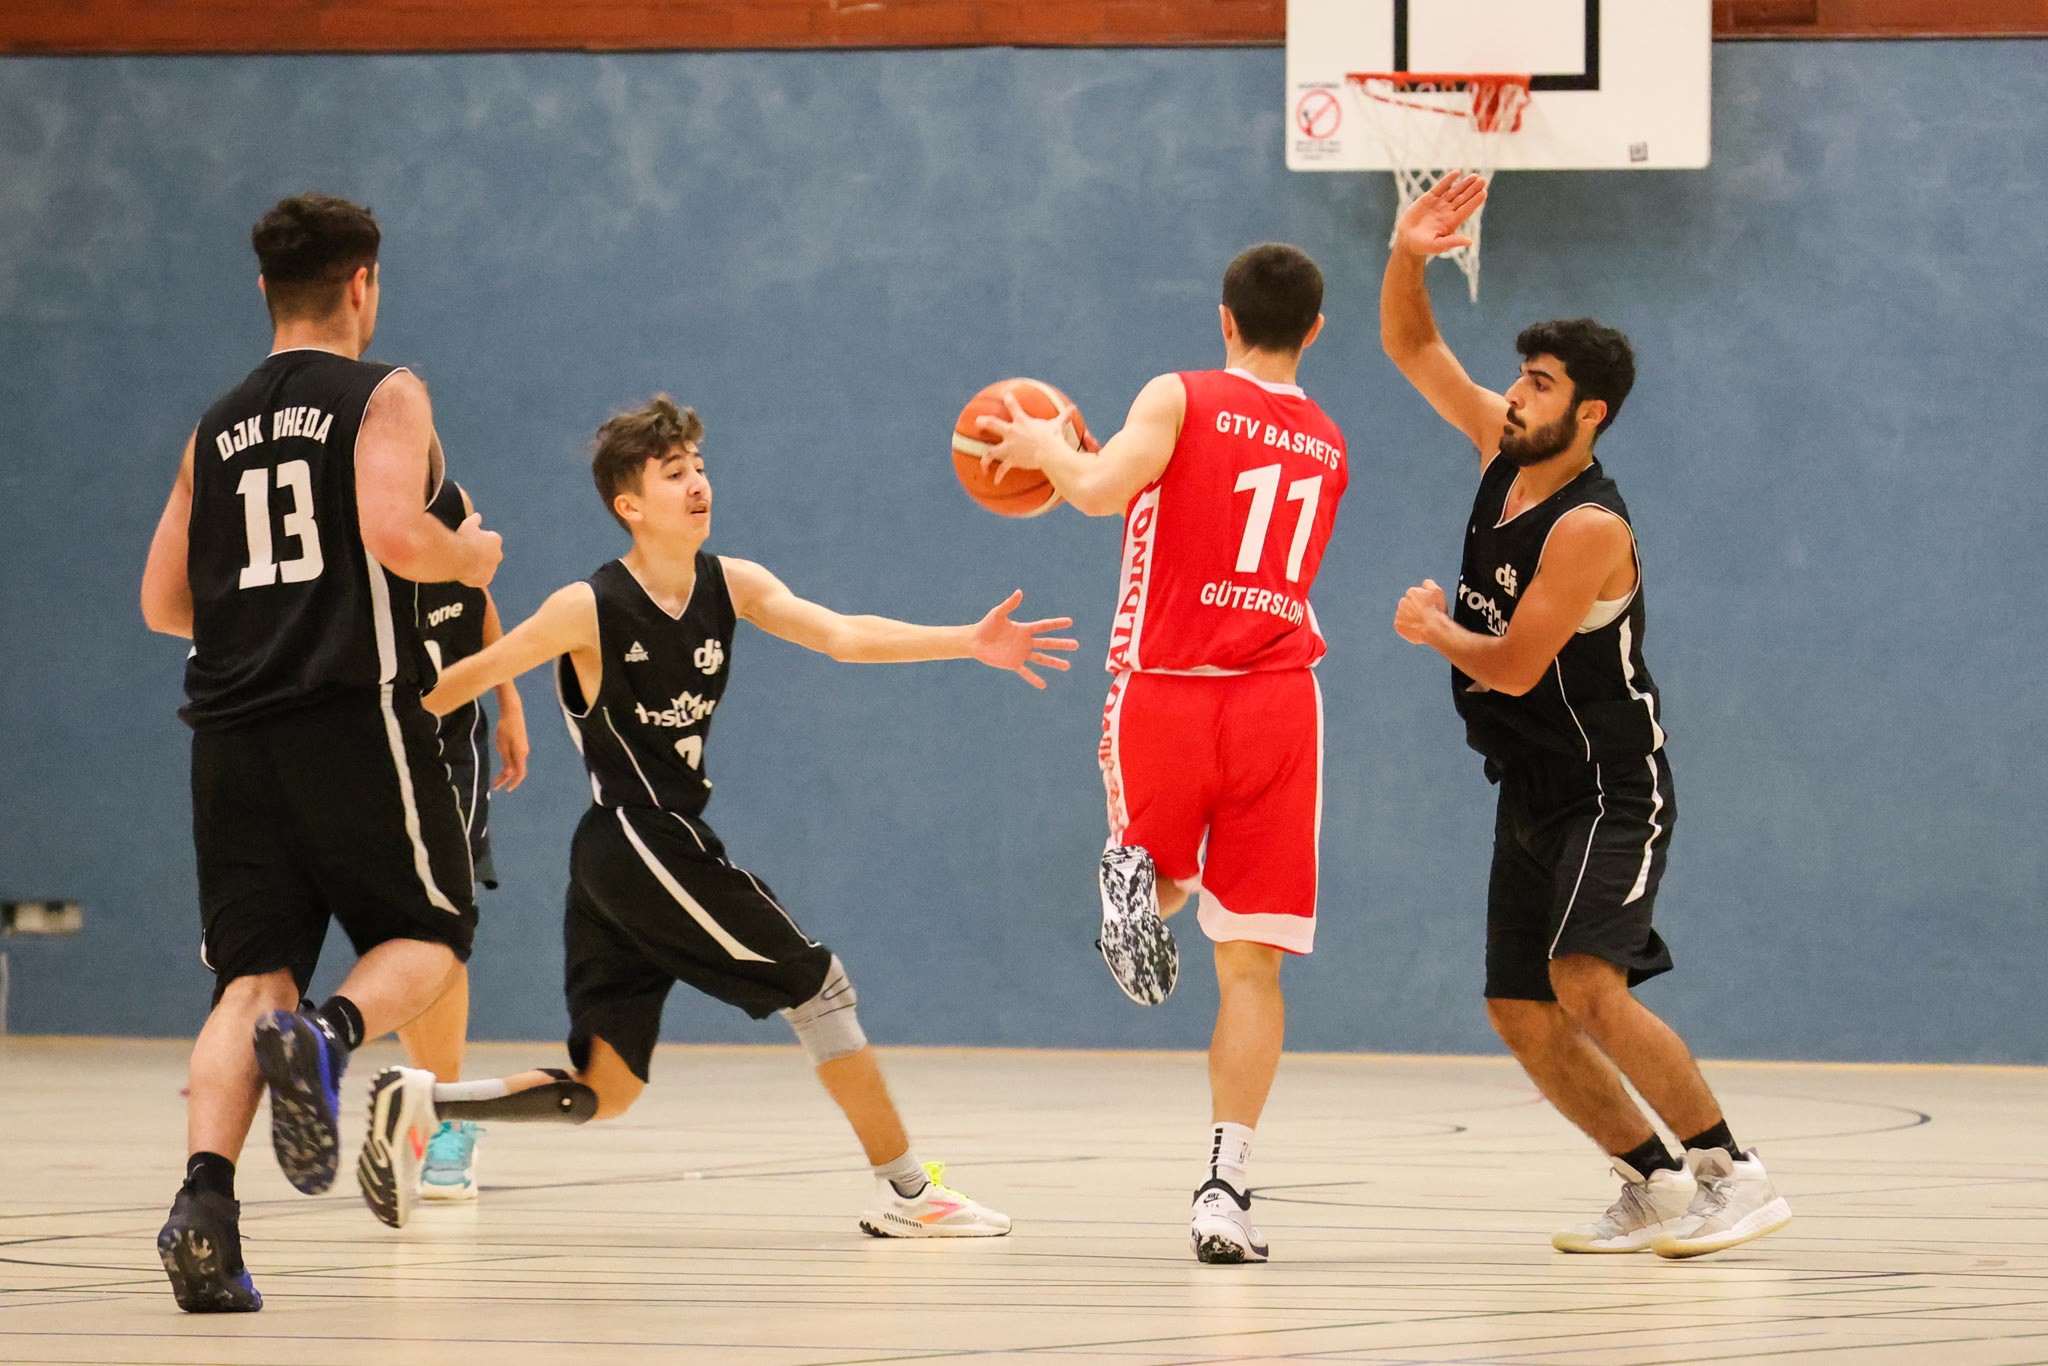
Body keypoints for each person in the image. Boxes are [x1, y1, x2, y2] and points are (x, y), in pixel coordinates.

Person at [357, 395, 1074, 1237]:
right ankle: (910, 1194)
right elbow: (460, 682)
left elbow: (843, 635)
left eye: (699, 467)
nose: (698, 484)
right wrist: (352, 735)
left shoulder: (732, 584)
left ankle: (425, 1102)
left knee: (606, 1089)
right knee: (818, 985)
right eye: (674, 473)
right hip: (637, 835)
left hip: (639, 853)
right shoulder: (587, 606)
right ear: (629, 504)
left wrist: (966, 640)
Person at [1379, 173, 1791, 1258]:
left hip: (1612, 786)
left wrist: (1434, 629)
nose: (1515, 396)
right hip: (1529, 784)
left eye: (1539, 382)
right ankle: (1651, 1181)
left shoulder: (1587, 528)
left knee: (1586, 985)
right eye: (1519, 377)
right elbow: (1413, 348)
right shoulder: (1498, 453)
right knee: (1518, 1006)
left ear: (1588, 411)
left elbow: (1517, 667)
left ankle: (1732, 1172)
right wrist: (1408, 253)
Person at [139, 193, 501, 1311]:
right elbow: (396, 533)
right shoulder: (385, 392)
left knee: (250, 979)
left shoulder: (213, 428)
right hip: (349, 717)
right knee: (433, 933)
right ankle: (331, 1036)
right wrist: (467, 554)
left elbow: (162, 602)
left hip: (226, 737)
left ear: (265, 289)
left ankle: (205, 1206)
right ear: (362, 284)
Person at [975, 244, 1347, 1264]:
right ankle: (1225, 1186)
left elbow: (1099, 491)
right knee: (1251, 961)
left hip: (1168, 689)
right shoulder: (1326, 441)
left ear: (1224, 318)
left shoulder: (1178, 395)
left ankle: (1132, 875)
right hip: (1278, 702)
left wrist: (1045, 444)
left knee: (1162, 873)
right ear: (1314, 330)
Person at [397, 465, 531, 1202]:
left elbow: (479, 602)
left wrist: (509, 704)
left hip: (452, 747)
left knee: (445, 918)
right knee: (401, 928)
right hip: (375, 742)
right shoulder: (357, 527)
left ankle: (444, 1115)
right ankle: (429, 1097)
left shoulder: (454, 503)